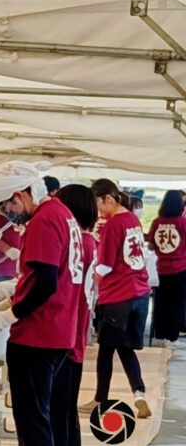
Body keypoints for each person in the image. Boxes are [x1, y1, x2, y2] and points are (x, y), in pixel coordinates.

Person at [0, 161, 82, 446]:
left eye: (7, 207)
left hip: (39, 335)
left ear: (21, 194)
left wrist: (11, 314)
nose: (8, 216)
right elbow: (39, 276)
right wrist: (12, 295)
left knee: (33, 420)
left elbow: (45, 283)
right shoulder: (61, 213)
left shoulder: (41, 220)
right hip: (58, 331)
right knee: (42, 417)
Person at [91, 179, 152, 419]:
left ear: (108, 198)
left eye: (98, 203)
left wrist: (91, 285)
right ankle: (139, 394)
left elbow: (105, 265)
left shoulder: (114, 224)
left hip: (118, 295)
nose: (97, 210)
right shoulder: (133, 220)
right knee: (126, 349)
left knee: (106, 350)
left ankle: (100, 399)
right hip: (140, 293)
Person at [52, 184, 97, 446]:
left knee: (58, 413)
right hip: (76, 336)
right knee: (65, 411)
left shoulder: (78, 241)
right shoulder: (89, 241)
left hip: (66, 337)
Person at [147, 189, 186, 342]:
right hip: (180, 268)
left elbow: (150, 245)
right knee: (176, 303)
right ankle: (172, 333)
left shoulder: (157, 222)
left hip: (161, 268)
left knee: (160, 302)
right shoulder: (182, 222)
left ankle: (159, 331)